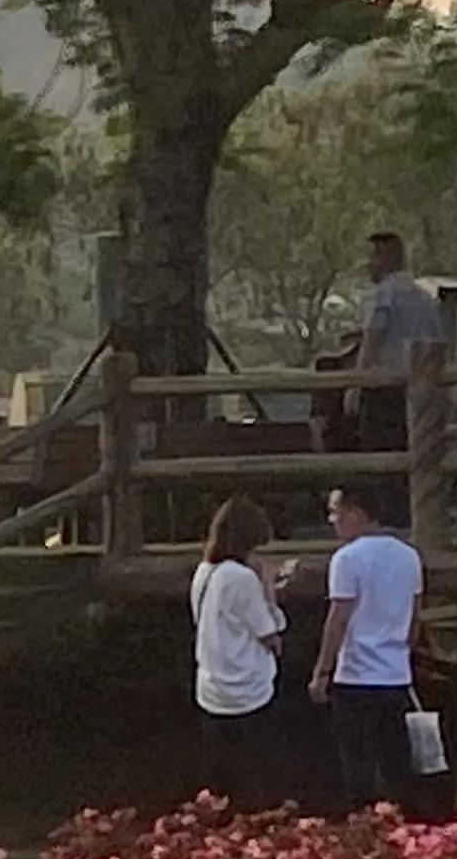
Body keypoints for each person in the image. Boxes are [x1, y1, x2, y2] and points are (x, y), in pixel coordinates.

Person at [309, 481, 426, 805]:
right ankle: (404, 817)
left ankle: (361, 819)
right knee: (396, 761)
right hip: (395, 675)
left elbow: (339, 618)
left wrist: (322, 671)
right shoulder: (409, 556)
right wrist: (404, 654)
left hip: (356, 676)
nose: (332, 520)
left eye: (336, 512)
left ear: (357, 513)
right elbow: (415, 617)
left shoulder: (347, 558)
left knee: (356, 763)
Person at [187, 497, 293, 807]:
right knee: (258, 771)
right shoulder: (241, 578)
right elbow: (269, 631)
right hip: (247, 688)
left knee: (222, 773)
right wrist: (268, 588)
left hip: (211, 685)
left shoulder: (204, 571)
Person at [318, 231, 441, 460]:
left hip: (386, 391)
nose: (368, 265)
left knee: (380, 452)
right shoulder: (426, 299)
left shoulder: (383, 296)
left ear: (385, 259)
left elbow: (372, 342)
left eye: (373, 257)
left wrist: (355, 386)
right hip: (421, 390)